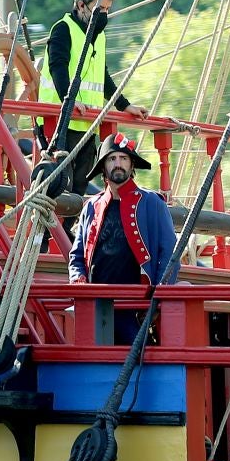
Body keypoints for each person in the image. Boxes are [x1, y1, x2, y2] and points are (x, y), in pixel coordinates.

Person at [39, 0, 150, 196]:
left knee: (80, 186)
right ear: (81, 5)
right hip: (60, 122)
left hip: (87, 123)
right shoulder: (63, 29)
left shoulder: (99, 37)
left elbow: (103, 77)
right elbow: (57, 67)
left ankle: (71, 221)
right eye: (100, 9)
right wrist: (69, 100)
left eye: (108, 10)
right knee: (61, 186)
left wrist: (125, 106)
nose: (104, 15)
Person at [68, 132, 178, 344]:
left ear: (131, 164)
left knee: (138, 360)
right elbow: (77, 257)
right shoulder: (91, 207)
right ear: (103, 166)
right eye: (112, 159)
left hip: (136, 308)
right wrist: (79, 283)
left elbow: (169, 254)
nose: (118, 164)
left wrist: (158, 298)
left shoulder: (152, 203)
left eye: (123, 158)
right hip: (97, 307)